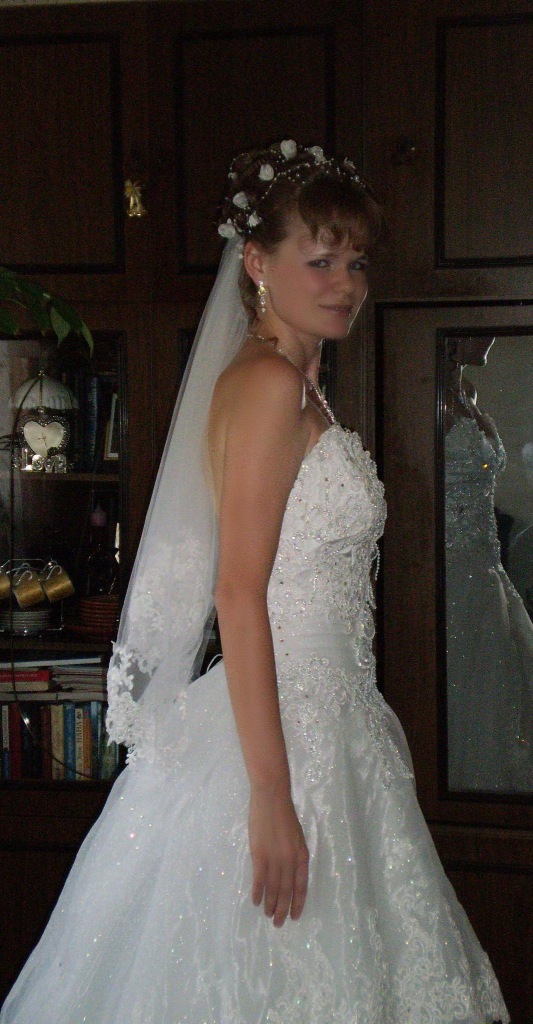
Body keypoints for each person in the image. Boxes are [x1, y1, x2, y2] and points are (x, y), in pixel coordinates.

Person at [1, 142, 509, 1024]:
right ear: (257, 263)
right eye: (321, 261)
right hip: (286, 731)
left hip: (329, 715)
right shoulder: (269, 384)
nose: (346, 284)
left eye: (356, 263)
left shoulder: (294, 385)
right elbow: (238, 592)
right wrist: (271, 798)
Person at [445, 336, 533, 792]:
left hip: (487, 564)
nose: (491, 338)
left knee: (500, 683)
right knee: (466, 679)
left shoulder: (467, 393)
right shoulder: (429, 397)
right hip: (450, 564)